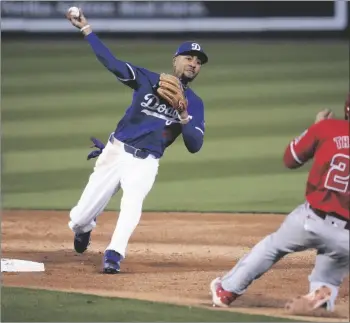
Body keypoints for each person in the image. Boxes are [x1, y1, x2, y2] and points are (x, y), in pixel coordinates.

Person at [65, 9, 208, 274]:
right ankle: (83, 228)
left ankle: (113, 254)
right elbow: (112, 62)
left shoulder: (195, 104)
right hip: (115, 152)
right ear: (175, 60)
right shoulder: (148, 79)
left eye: (198, 62)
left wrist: (183, 114)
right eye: (188, 57)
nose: (193, 63)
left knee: (132, 205)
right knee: (80, 217)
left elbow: (194, 145)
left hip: (146, 163)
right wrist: (86, 29)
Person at [210, 94, 350, 313]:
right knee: (328, 278)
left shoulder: (328, 128)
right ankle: (322, 296)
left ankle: (227, 291)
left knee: (273, 246)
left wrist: (315, 128)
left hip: (311, 219)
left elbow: (290, 159)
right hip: (347, 237)